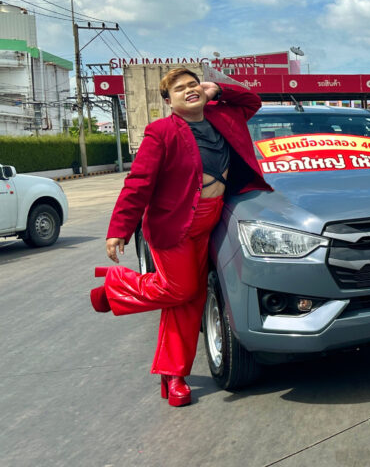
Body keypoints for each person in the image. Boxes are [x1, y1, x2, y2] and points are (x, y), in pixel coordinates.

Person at [90, 68, 271, 407]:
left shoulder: (223, 116)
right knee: (182, 290)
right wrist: (119, 229)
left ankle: (174, 376)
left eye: (193, 84)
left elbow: (252, 100)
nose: (189, 90)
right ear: (168, 101)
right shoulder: (161, 131)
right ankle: (115, 287)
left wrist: (217, 89)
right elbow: (138, 183)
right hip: (174, 226)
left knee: (190, 301)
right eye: (179, 89)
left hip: (211, 222)